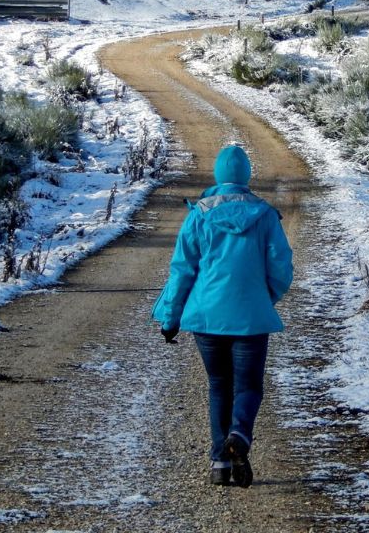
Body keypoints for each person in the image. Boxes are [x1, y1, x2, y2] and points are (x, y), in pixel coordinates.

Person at [151, 144, 293, 488]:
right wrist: (264, 299)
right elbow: (281, 268)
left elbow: (182, 271)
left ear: (218, 175)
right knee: (249, 386)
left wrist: (170, 319)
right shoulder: (264, 215)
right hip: (251, 318)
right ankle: (239, 435)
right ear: (246, 176)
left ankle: (219, 463)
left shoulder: (198, 215)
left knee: (219, 385)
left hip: (207, 317)